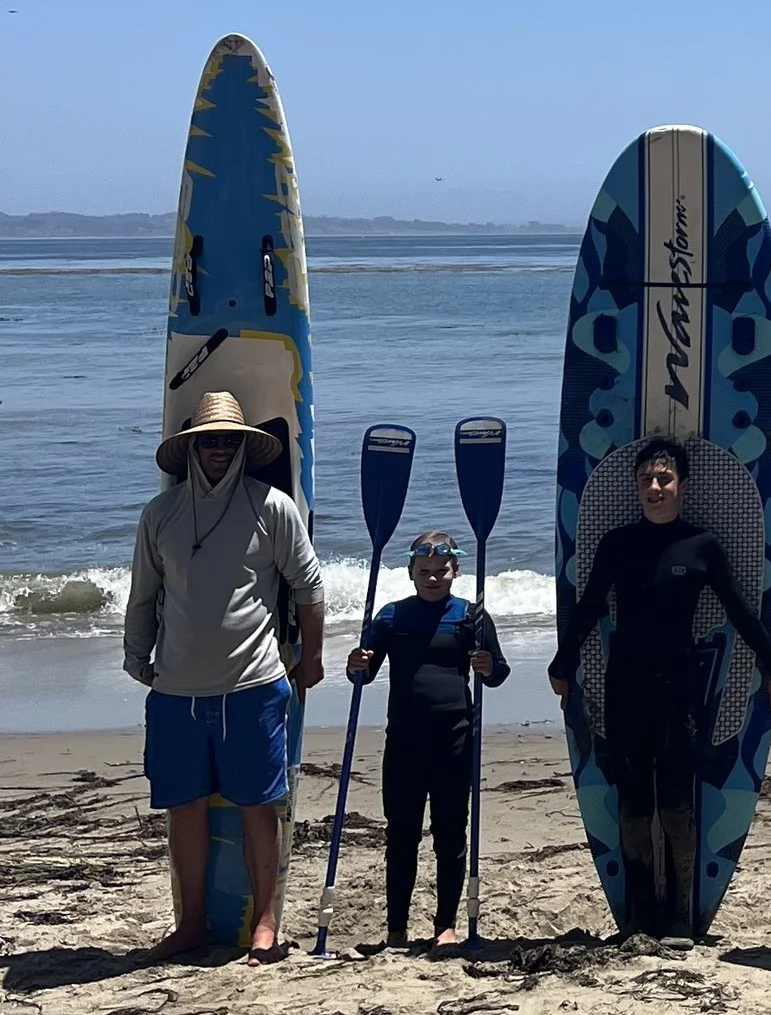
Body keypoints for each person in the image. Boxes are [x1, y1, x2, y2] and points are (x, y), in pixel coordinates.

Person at [549, 435, 771, 937]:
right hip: (626, 686)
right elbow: (589, 606)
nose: (654, 488)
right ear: (637, 489)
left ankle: (680, 915)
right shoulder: (617, 543)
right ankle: (639, 914)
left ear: (682, 485)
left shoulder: (701, 545)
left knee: (677, 800)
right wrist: (562, 663)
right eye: (646, 481)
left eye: (664, 479)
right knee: (634, 799)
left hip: (680, 687)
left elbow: (740, 609)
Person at [123, 386, 327, 959]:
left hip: (254, 686)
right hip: (176, 692)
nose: (218, 449)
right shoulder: (160, 514)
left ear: (243, 447)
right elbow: (144, 595)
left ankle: (266, 921)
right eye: (208, 440)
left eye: (228, 441)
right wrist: (136, 656)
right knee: (183, 807)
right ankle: (190, 923)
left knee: (258, 806)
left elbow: (309, 588)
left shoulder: (272, 507)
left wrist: (311, 659)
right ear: (191, 447)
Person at [346, 527, 508, 950]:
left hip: (456, 738)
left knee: (451, 834)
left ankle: (445, 926)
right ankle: (396, 929)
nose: (433, 577)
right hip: (404, 741)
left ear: (455, 571)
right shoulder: (391, 617)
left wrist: (487, 665)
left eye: (441, 570)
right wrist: (356, 663)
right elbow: (361, 675)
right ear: (411, 572)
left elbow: (498, 675)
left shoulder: (471, 617)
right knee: (401, 834)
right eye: (425, 570)